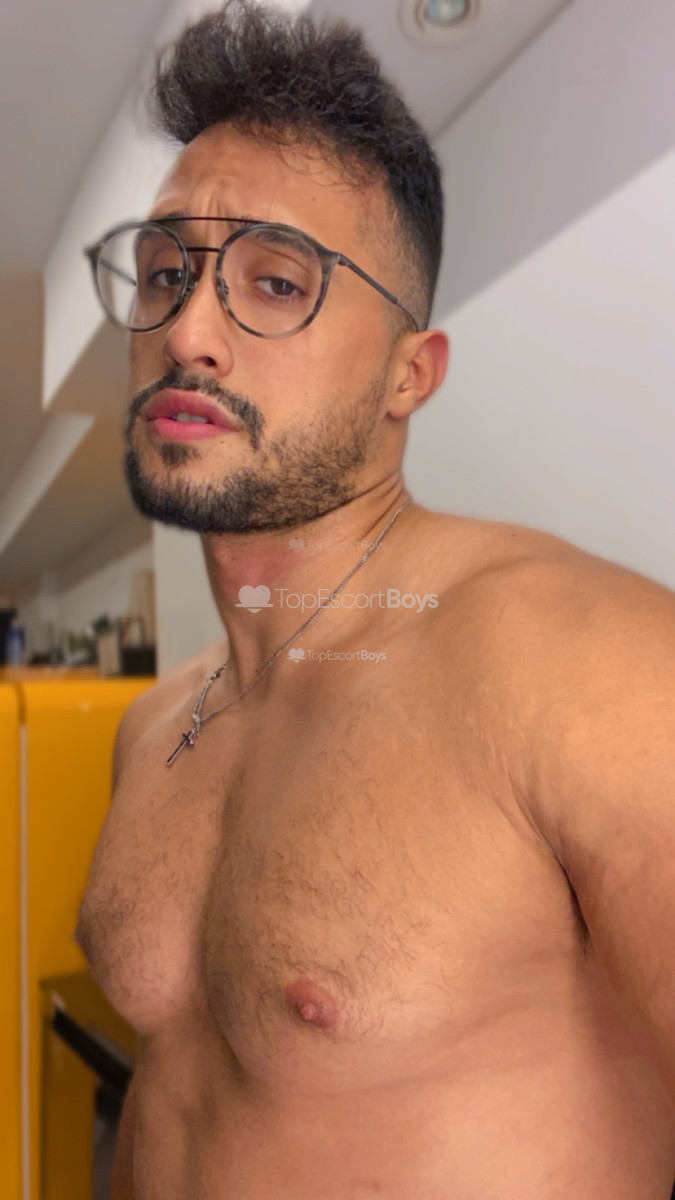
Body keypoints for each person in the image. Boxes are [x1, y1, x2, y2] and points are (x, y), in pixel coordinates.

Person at [76, 2, 675, 1197]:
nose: (188, 331)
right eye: (165, 273)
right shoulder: (155, 729)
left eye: (276, 282)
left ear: (411, 375)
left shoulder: (589, 668)